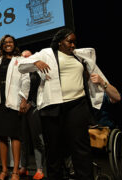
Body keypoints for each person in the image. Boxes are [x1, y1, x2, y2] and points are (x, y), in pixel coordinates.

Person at [18, 28, 109, 180]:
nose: (73, 45)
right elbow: (21, 66)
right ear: (60, 42)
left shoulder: (79, 57)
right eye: (69, 41)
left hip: (77, 104)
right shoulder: (46, 53)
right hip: (53, 106)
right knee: (54, 149)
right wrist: (36, 61)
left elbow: (95, 72)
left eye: (74, 42)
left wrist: (107, 89)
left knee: (81, 148)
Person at [0, 35, 30, 180]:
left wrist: (24, 100)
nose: (8, 44)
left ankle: (16, 171)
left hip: (14, 102)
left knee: (15, 136)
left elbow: (26, 81)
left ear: (14, 44)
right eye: (5, 43)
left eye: (10, 42)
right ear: (2, 46)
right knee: (2, 136)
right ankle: (4, 170)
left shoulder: (21, 60)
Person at [19, 50, 45, 180]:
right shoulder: (19, 71)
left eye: (28, 56)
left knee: (37, 139)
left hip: (34, 107)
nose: (25, 58)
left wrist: (31, 103)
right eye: (23, 57)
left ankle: (40, 168)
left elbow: (41, 89)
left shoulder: (38, 72)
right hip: (20, 109)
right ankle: (23, 167)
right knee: (23, 139)